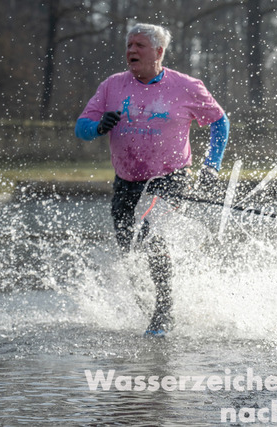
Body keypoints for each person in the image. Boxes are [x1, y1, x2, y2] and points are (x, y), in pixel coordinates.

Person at [75, 23, 229, 336]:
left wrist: (211, 166)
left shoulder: (186, 86)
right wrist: (99, 126)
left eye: (139, 46)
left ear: (158, 51)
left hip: (171, 178)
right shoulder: (112, 86)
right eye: (129, 45)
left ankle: (163, 313)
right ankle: (148, 309)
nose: (131, 50)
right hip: (126, 181)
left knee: (150, 231)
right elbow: (82, 128)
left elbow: (219, 122)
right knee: (129, 249)